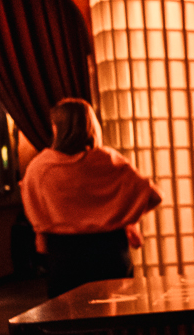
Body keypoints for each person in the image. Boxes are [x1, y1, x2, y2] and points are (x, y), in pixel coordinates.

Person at [21, 99, 161, 298]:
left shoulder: (41, 167)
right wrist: (127, 218)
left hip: (64, 253)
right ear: (91, 125)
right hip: (110, 250)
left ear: (56, 128)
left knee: (68, 311)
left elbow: (34, 207)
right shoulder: (108, 160)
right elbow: (153, 196)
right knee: (113, 309)